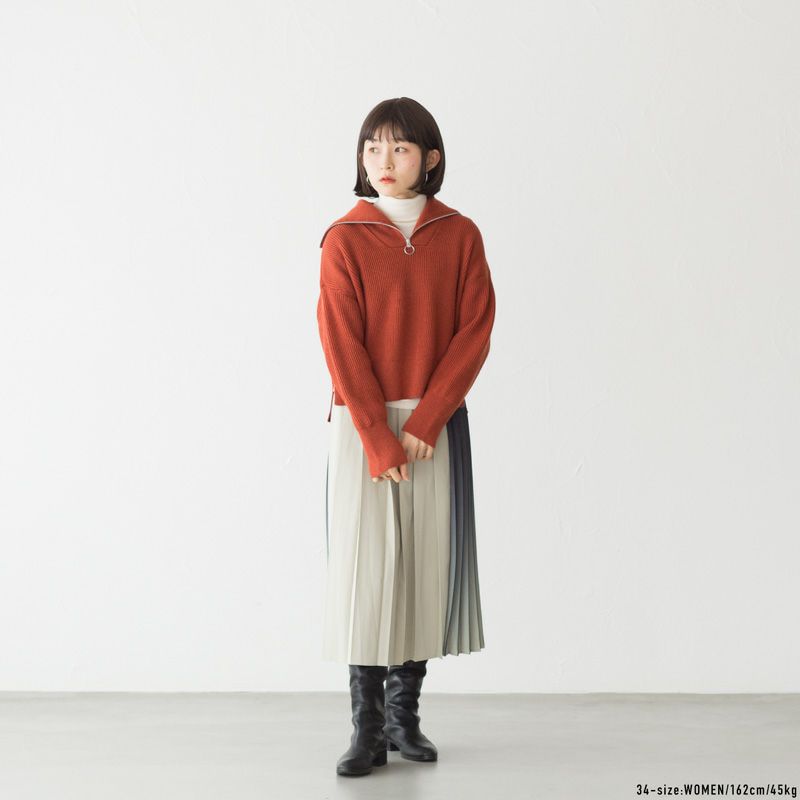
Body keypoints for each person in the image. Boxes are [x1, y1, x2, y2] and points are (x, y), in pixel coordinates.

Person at [316, 97, 496, 777]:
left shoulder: (460, 235)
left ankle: (403, 720)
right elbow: (340, 343)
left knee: (422, 568)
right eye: (372, 148)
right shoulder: (344, 238)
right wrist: (378, 436)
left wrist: (427, 420)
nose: (382, 161)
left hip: (433, 427)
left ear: (430, 157)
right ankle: (366, 730)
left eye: (398, 147)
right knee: (366, 575)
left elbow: (474, 330)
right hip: (364, 427)